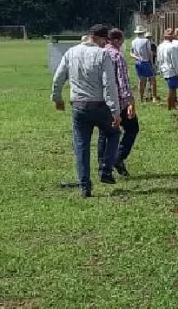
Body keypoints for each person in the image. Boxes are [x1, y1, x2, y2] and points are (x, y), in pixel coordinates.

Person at [51, 24, 122, 198]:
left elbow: (58, 77)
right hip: (98, 104)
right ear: (100, 38)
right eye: (105, 40)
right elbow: (109, 84)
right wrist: (115, 111)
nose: (105, 44)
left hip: (78, 106)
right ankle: (105, 169)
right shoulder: (103, 54)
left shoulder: (71, 52)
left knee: (81, 146)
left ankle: (85, 187)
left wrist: (57, 98)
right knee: (113, 133)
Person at [97, 28, 139, 177]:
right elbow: (122, 82)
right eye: (121, 40)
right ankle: (118, 157)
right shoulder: (117, 56)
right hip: (118, 101)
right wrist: (130, 102)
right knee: (132, 128)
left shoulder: (99, 53)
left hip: (101, 100)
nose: (122, 43)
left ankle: (102, 164)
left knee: (104, 133)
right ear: (115, 40)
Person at [130, 25, 159, 103]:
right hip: (146, 61)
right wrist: (152, 63)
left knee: (141, 80)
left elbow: (131, 53)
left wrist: (136, 57)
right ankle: (154, 97)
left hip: (138, 62)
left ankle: (141, 98)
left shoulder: (133, 41)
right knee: (152, 79)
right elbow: (149, 52)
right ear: (143, 33)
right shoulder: (146, 41)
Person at [156, 29, 178, 110]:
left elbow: (158, 59)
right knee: (171, 89)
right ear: (172, 37)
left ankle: (173, 106)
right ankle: (169, 107)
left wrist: (160, 69)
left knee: (173, 88)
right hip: (171, 70)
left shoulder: (160, 46)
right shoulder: (173, 47)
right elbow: (174, 60)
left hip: (164, 69)